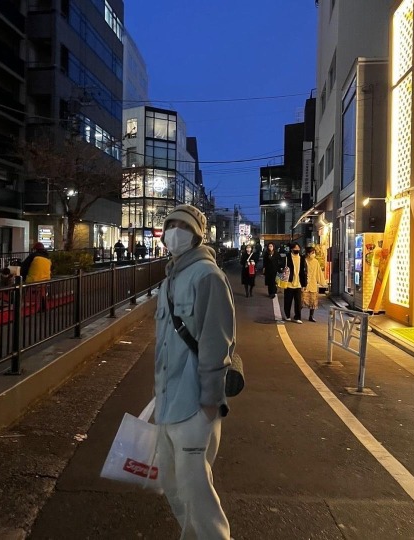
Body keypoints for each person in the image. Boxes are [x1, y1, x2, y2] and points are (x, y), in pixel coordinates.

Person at [154, 204, 235, 540]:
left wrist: (210, 401)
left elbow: (218, 340)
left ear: (198, 235)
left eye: (184, 226)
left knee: (196, 491)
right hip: (167, 400)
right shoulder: (170, 279)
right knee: (172, 483)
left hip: (194, 404)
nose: (175, 231)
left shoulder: (207, 276)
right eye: (171, 225)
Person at [282, 242, 307, 324]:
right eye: (295, 248)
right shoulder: (287, 257)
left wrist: (304, 284)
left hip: (298, 283)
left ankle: (297, 317)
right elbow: (281, 267)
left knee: (298, 302)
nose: (297, 249)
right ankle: (287, 315)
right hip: (289, 283)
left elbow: (303, 272)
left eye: (298, 248)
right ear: (292, 249)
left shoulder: (302, 258)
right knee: (288, 301)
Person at [303, 246, 327, 322]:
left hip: (313, 284)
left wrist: (322, 283)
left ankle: (311, 316)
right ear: (308, 253)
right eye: (312, 253)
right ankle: (298, 315)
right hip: (304, 284)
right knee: (302, 300)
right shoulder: (304, 261)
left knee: (313, 301)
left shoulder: (316, 262)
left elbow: (319, 272)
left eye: (314, 253)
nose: (314, 254)